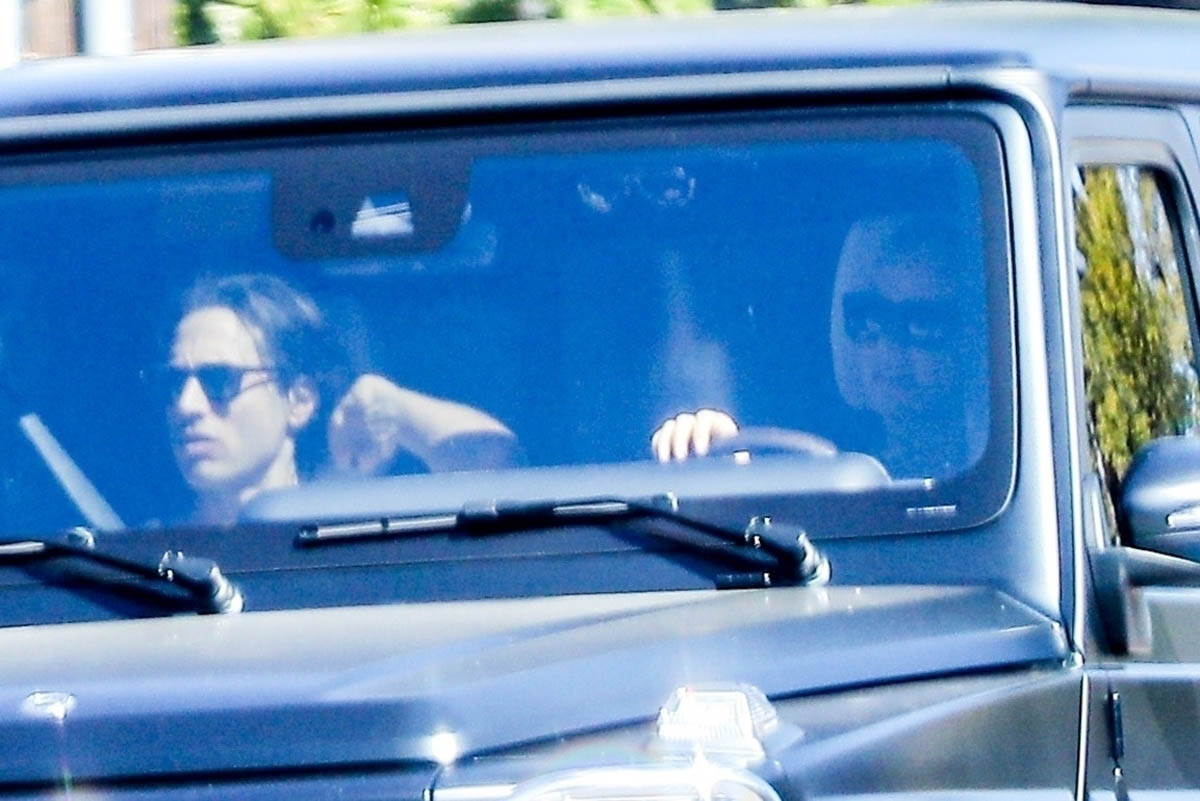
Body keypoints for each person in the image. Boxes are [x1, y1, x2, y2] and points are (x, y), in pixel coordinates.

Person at [158, 273, 518, 525]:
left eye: (219, 379)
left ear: (299, 401)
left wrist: (398, 411)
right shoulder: (135, 560)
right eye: (174, 383)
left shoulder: (355, 533)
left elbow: (505, 479)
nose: (186, 405)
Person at [651, 213, 989, 479]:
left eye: (923, 324)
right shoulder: (832, 456)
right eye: (870, 320)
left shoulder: (987, 478)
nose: (887, 349)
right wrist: (718, 453)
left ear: (971, 339)